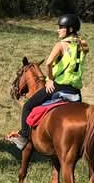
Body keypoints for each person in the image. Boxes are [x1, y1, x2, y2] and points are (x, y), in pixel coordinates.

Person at [9, 13, 88, 150]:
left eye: (61, 27)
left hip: (59, 87)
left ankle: (23, 137)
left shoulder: (61, 45)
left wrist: (50, 80)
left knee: (28, 106)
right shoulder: (82, 46)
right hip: (76, 92)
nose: (58, 30)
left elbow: (49, 63)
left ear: (69, 29)